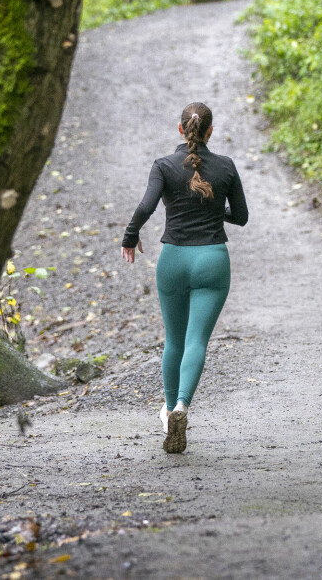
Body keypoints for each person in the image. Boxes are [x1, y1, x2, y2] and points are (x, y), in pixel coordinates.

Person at [121, 102, 248, 454]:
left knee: (173, 341)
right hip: (212, 260)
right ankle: (181, 407)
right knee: (197, 342)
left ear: (180, 130)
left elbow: (146, 206)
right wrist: (212, 206)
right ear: (210, 132)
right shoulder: (225, 166)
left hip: (173, 259)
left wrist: (130, 237)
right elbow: (241, 216)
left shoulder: (163, 165)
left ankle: (167, 412)